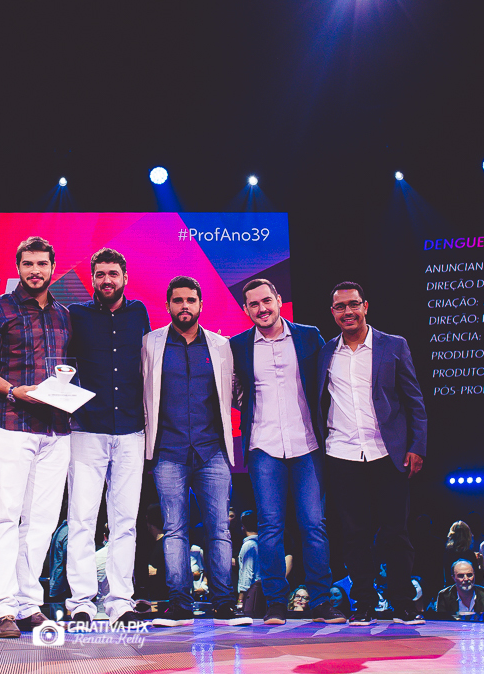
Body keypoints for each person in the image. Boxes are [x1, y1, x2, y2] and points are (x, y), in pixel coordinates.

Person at [0, 236, 73, 639]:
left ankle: (29, 604)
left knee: (41, 522)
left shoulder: (64, 315)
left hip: (56, 429)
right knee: (4, 517)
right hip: (9, 424)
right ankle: (3, 608)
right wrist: (12, 390)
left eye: (42, 264)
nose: (35, 271)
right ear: (18, 267)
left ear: (52, 268)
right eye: (28, 264)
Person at [230, 278, 345, 625]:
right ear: (246, 309)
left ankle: (321, 601)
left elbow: (328, 381)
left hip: (306, 443)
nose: (262, 308)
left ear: (279, 300)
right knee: (270, 527)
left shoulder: (309, 336)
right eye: (254, 304)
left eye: (267, 300)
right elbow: (233, 389)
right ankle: (276, 603)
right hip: (263, 445)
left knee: (313, 524)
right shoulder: (238, 345)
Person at [314, 282, 428, 626]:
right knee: (354, 534)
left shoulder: (393, 345)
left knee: (396, 531)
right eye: (340, 307)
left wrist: (417, 445)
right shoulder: (325, 352)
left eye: (353, 304)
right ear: (332, 313)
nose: (347, 312)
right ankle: (363, 603)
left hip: (387, 452)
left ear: (365, 306)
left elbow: (414, 399)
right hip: (342, 453)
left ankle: (402, 602)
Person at [143, 276, 249, 627]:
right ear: (168, 305)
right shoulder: (151, 344)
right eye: (178, 300)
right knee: (174, 529)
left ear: (201, 304)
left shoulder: (221, 346)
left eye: (191, 300)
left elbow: (236, 392)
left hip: (212, 451)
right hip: (168, 450)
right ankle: (180, 604)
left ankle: (224, 603)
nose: (184, 306)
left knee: (219, 529)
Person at [62, 247, 151, 629]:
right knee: (81, 519)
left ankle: (120, 602)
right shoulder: (76, 314)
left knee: (125, 521)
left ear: (125, 277)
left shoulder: (139, 313)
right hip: (86, 428)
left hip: (131, 429)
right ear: (93, 279)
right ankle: (81, 602)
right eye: (100, 274)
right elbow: (62, 365)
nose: (107, 280)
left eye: (113, 273)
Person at [443, 521, 483, 588]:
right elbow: (477, 580)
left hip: (451, 591)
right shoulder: (469, 555)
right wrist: (480, 564)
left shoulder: (447, 554)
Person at [236, 511, 261, 616]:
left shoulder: (249, 545)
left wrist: (240, 600)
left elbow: (247, 573)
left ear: (243, 527)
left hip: (252, 594)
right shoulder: (263, 544)